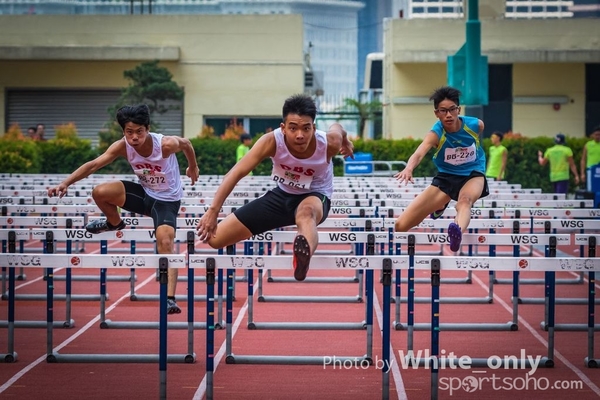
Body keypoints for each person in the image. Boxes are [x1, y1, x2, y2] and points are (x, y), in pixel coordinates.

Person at [47, 104, 199, 314]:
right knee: (100, 192)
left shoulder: (165, 144)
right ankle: (114, 222)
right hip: (144, 194)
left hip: (167, 201)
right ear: (123, 132)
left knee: (165, 240)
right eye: (129, 132)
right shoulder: (122, 146)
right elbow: (93, 165)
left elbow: (187, 144)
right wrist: (66, 183)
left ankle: (170, 298)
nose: (134, 137)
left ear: (147, 129)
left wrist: (193, 166)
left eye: (139, 132)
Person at [195, 93, 354, 281]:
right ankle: (302, 249)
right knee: (215, 239)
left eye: (306, 128)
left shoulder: (328, 143)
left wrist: (345, 140)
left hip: (315, 196)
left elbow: (337, 129)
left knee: (305, 213)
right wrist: (213, 211)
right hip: (281, 196)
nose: (300, 135)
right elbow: (236, 173)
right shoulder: (271, 141)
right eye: (293, 128)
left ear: (314, 128)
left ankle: (303, 257)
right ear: (283, 128)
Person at [393, 86, 489, 252]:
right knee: (400, 226)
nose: (449, 115)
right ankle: (441, 204)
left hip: (473, 174)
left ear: (458, 110)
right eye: (443, 111)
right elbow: (419, 152)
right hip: (446, 177)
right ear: (436, 113)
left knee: (465, 201)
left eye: (452, 109)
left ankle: (457, 231)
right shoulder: (436, 133)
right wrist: (408, 168)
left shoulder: (475, 125)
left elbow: (478, 130)